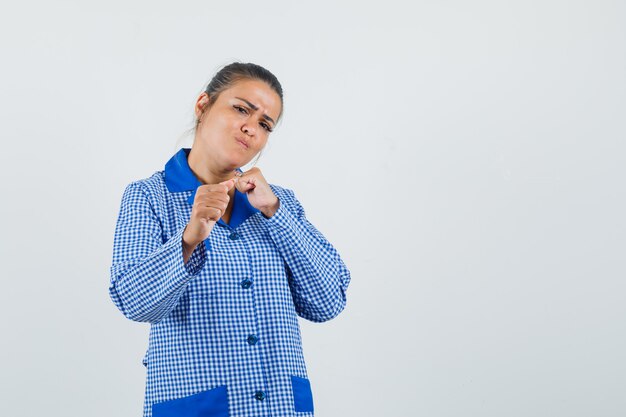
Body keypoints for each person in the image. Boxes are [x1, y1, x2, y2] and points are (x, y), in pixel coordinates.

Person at [109, 62, 351, 417]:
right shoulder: (148, 197)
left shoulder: (278, 204)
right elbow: (133, 301)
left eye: (265, 124)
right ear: (203, 105)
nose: (250, 128)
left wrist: (275, 212)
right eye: (241, 109)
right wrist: (189, 238)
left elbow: (328, 301)